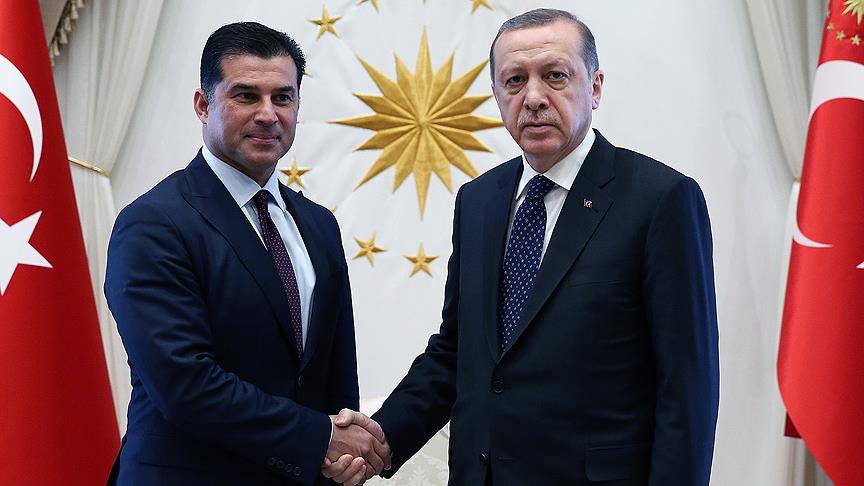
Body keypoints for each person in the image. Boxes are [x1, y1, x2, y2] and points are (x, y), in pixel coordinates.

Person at [327, 8, 719, 486]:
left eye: (555, 76)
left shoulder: (660, 200)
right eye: (514, 81)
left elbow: (687, 386)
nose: (533, 98)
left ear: (595, 87)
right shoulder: (479, 201)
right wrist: (383, 437)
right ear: (497, 94)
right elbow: (458, 351)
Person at [105, 22, 389, 486]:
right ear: (203, 105)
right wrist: (319, 437)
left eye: (283, 97)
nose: (268, 114)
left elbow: (334, 375)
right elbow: (185, 385)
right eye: (246, 96)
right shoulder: (153, 224)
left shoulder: (318, 223)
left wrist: (344, 454)